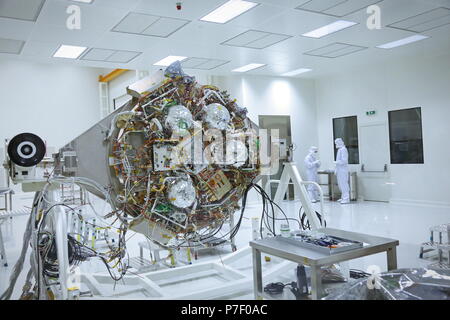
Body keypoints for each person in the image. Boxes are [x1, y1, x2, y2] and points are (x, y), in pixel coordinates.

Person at [334, 138, 350, 204]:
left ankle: (346, 198)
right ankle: (343, 197)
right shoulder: (340, 150)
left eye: (336, 143)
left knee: (344, 184)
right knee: (340, 184)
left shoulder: (343, 150)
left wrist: (336, 162)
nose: (336, 145)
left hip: (343, 170)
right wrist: (336, 169)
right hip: (340, 170)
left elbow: (344, 161)